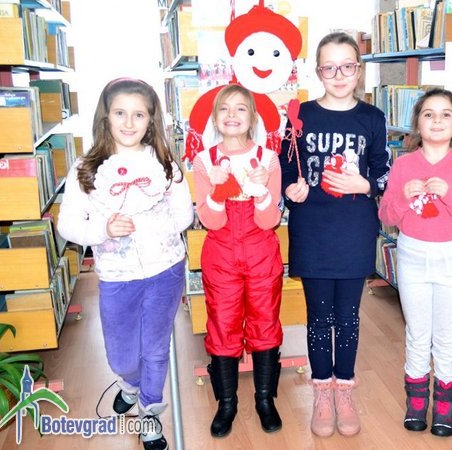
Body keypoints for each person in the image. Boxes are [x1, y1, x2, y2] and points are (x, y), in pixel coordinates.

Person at [57, 78, 194, 450]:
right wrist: (103, 229)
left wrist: (154, 225)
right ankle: (130, 384)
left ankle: (150, 412)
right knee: (122, 356)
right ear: (106, 117)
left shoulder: (164, 164)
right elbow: (67, 224)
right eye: (120, 113)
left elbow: (183, 215)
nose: (129, 122)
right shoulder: (86, 168)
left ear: (151, 120)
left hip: (165, 271)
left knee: (155, 349)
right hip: (118, 278)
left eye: (139, 115)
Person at [280, 31, 391, 437]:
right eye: (330, 68)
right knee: (318, 317)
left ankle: (344, 390)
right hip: (312, 230)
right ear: (318, 71)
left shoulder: (372, 118)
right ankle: (321, 393)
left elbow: (383, 171)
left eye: (347, 66)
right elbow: (286, 169)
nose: (339, 75)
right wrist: (290, 190)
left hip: (354, 231)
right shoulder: (300, 116)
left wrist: (366, 185)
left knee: (347, 317)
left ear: (358, 71)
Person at [378, 88, 452, 437]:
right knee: (417, 333)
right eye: (429, 114)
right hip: (412, 256)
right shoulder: (404, 165)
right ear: (418, 123)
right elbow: (386, 215)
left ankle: (444, 406)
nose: (437, 121)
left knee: (445, 336)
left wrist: (449, 195)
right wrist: (403, 197)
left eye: (445, 114)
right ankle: (416, 401)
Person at [192, 84, 284, 438]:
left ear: (253, 118)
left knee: (265, 320)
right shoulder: (204, 161)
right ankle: (227, 403)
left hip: (261, 250)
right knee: (223, 324)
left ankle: (265, 400)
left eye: (241, 108)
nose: (232, 115)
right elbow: (211, 221)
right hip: (221, 253)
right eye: (224, 109)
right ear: (215, 119)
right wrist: (217, 190)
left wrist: (261, 191)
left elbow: (270, 220)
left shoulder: (268, 158)